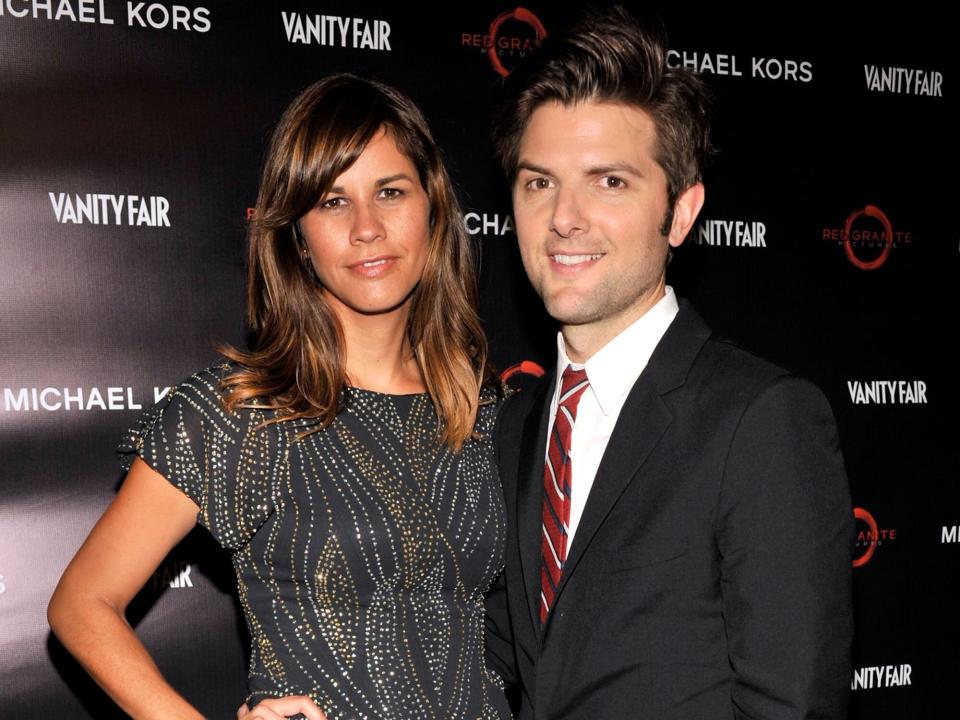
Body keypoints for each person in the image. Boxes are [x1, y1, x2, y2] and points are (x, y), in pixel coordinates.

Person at [48, 74, 510, 720]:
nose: (368, 227)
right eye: (331, 201)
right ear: (296, 234)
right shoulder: (241, 415)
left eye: (390, 192)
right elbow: (81, 604)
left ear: (432, 207)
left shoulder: (484, 414)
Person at [484, 7, 854, 719]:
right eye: (539, 182)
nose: (565, 216)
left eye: (609, 182)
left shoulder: (759, 420)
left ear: (681, 212)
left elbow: (792, 706)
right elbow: (495, 663)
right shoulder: (518, 425)